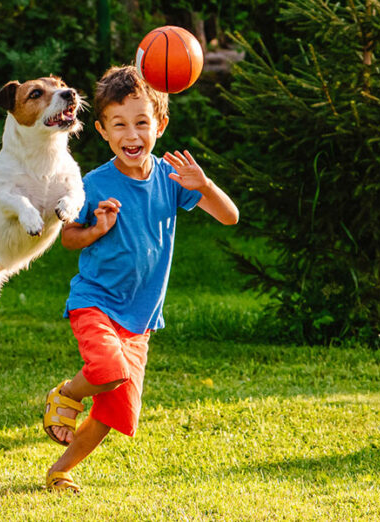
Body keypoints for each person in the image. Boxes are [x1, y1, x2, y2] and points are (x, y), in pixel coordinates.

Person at [41, 65, 239, 492]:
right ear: (102, 131)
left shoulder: (173, 179)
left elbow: (229, 216)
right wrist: (95, 229)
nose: (132, 135)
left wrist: (203, 184)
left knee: (115, 413)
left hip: (139, 319)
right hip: (95, 301)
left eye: (142, 122)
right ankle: (67, 395)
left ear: (160, 125)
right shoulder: (93, 183)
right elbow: (68, 238)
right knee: (107, 370)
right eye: (120, 125)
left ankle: (61, 470)